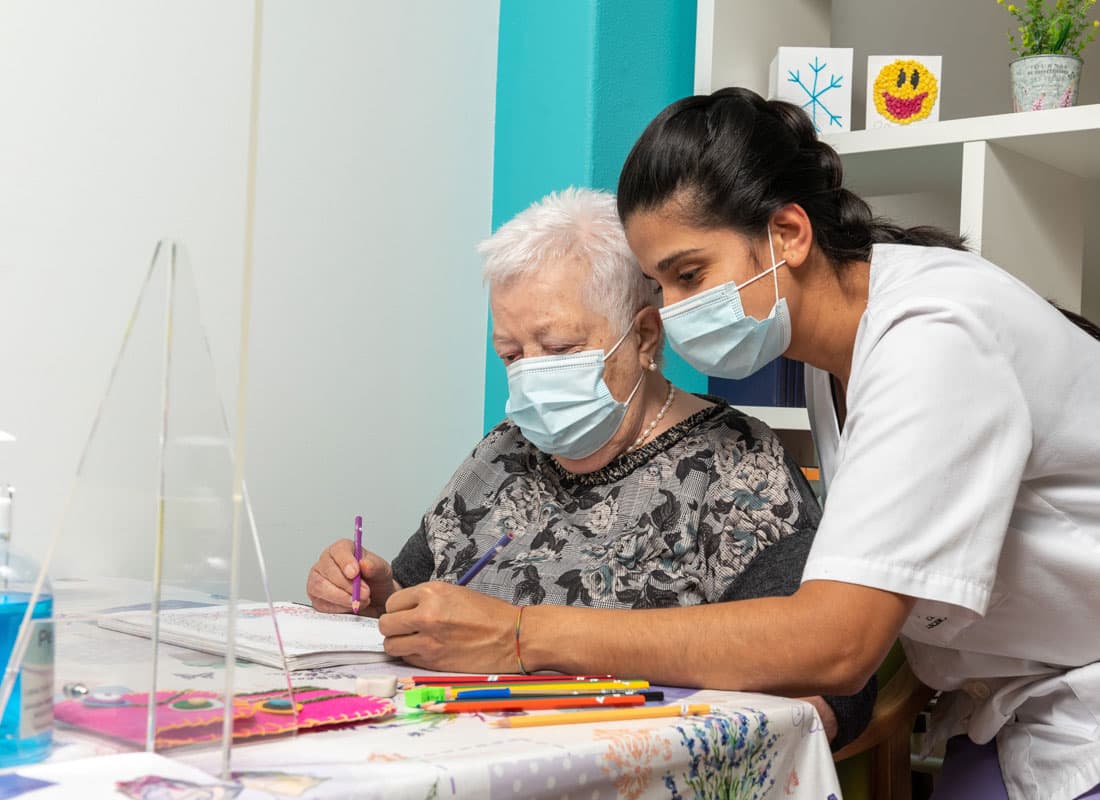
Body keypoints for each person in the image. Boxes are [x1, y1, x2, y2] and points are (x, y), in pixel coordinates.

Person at [611, 87, 1100, 800]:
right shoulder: (832, 353)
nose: (674, 314)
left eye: (690, 276)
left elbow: (837, 640)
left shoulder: (932, 337)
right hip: (1015, 709)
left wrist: (523, 636)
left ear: (787, 235)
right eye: (659, 286)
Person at [307, 187, 874, 749]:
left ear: (645, 336)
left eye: (558, 347)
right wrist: (379, 600)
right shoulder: (505, 451)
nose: (531, 375)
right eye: (511, 354)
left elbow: (833, 685)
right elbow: (422, 598)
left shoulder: (737, 469)